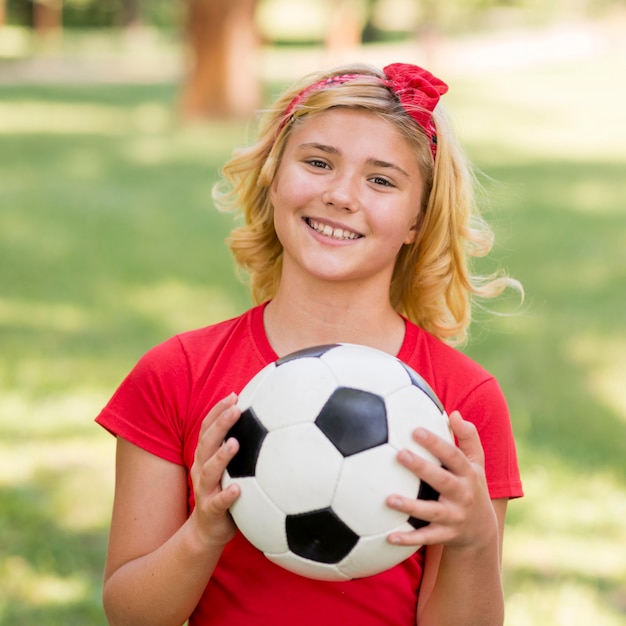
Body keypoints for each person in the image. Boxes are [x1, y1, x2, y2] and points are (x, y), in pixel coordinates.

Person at [96, 62, 523, 626]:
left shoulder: (463, 400)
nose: (341, 195)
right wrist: (203, 532)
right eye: (318, 162)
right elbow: (131, 615)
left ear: (418, 219)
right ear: (275, 177)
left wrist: (473, 543)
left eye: (382, 179)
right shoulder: (178, 373)